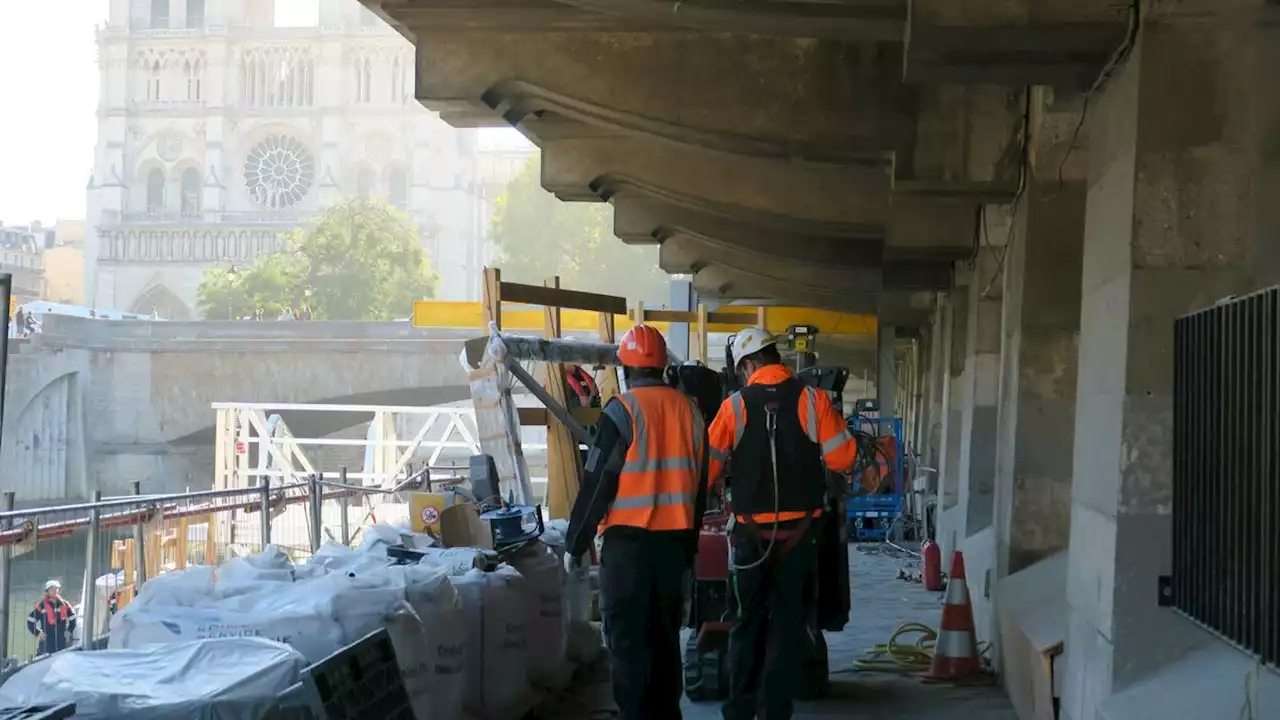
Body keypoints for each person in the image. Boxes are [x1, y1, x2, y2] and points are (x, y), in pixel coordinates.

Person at [706, 327, 858, 720]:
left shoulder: (735, 406)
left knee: (745, 625)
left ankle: (739, 711)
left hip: (749, 540)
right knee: (788, 626)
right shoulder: (814, 400)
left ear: (749, 364)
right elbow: (842, 459)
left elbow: (705, 470)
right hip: (800, 537)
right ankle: (776, 712)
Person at [563, 324, 708, 720]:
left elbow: (597, 484)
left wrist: (575, 541)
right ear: (663, 366)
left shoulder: (621, 412)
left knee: (629, 647)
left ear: (625, 368)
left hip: (629, 551)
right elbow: (699, 489)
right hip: (675, 548)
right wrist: (691, 548)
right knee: (664, 644)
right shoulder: (691, 412)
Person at [27, 580, 76, 656]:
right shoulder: (42, 606)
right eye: (52, 589)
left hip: (62, 640)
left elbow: (73, 618)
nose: (55, 591)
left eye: (56, 589)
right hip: (47, 641)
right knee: (42, 659)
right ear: (47, 592)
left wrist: (69, 631)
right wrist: (38, 633)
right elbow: (30, 621)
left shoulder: (65, 604)